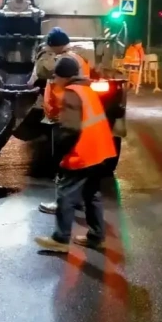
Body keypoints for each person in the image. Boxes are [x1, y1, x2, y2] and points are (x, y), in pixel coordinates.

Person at [34, 57, 119, 253]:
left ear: (64, 77)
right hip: (100, 151)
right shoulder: (87, 90)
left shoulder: (71, 94)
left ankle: (61, 239)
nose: (55, 80)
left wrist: (62, 154)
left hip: (83, 153)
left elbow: (70, 129)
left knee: (65, 194)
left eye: (56, 76)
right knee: (91, 194)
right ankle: (97, 236)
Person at [31, 27, 92, 215]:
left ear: (55, 45)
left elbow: (43, 70)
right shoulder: (77, 57)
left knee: (62, 163)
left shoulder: (64, 60)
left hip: (63, 116)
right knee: (75, 163)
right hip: (73, 115)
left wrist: (43, 51)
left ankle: (63, 204)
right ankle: (77, 200)